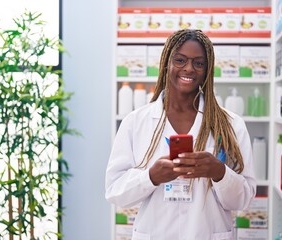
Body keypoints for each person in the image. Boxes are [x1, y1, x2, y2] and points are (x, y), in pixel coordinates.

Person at [105, 29, 256, 240]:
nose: (189, 69)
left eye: (199, 63)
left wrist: (219, 172)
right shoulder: (135, 122)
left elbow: (244, 199)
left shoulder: (230, 125)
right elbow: (115, 192)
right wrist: (150, 177)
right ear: (167, 62)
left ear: (207, 70)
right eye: (180, 60)